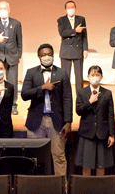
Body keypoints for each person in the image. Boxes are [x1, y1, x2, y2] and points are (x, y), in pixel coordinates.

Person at [21, 44, 73, 186]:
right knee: (34, 158)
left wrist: (68, 122)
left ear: (53, 55)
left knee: (59, 157)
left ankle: (62, 188)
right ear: (39, 57)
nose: (47, 57)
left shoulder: (62, 73)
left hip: (56, 122)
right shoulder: (31, 72)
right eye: (44, 54)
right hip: (36, 122)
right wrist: (42, 88)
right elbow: (24, 94)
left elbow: (67, 98)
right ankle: (34, 188)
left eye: (49, 54)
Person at [75, 65, 115, 176]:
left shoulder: (107, 93)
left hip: (102, 133)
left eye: (97, 75)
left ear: (101, 77)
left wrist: (111, 134)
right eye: (93, 75)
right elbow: (78, 111)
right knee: (86, 166)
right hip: (87, 134)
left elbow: (110, 115)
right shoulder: (82, 92)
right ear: (88, 76)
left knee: (101, 166)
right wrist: (89, 102)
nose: (95, 77)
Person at [0, 1, 22, 115]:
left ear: (9, 9)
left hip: (12, 57)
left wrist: (18, 55)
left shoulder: (16, 23)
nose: (3, 10)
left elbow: (19, 41)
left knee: (12, 83)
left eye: (5, 8)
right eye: (0, 9)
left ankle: (13, 105)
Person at [58, 0, 88, 93]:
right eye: (69, 7)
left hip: (78, 50)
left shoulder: (81, 19)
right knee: (65, 76)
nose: (71, 9)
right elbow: (62, 33)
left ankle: (80, 96)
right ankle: (65, 95)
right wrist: (75, 30)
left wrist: (85, 49)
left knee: (79, 76)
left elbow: (84, 35)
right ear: (65, 9)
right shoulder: (61, 20)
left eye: (72, 7)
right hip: (66, 51)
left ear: (75, 8)